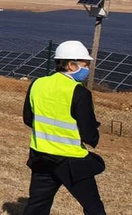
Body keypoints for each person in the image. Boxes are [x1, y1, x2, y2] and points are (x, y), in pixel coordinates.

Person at [22, 40, 105, 215]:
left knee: (37, 205)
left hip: (40, 156)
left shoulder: (37, 84)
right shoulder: (79, 92)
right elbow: (89, 133)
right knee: (93, 207)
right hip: (71, 160)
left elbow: (28, 119)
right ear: (71, 65)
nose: (87, 68)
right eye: (85, 64)